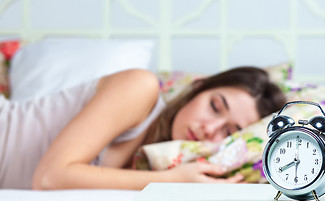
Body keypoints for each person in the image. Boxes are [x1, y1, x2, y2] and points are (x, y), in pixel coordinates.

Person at [0, 67, 286, 190]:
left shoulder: (154, 162)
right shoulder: (140, 87)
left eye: (228, 131)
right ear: (197, 88)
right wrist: (173, 180)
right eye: (214, 106)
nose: (209, 129)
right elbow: (50, 178)